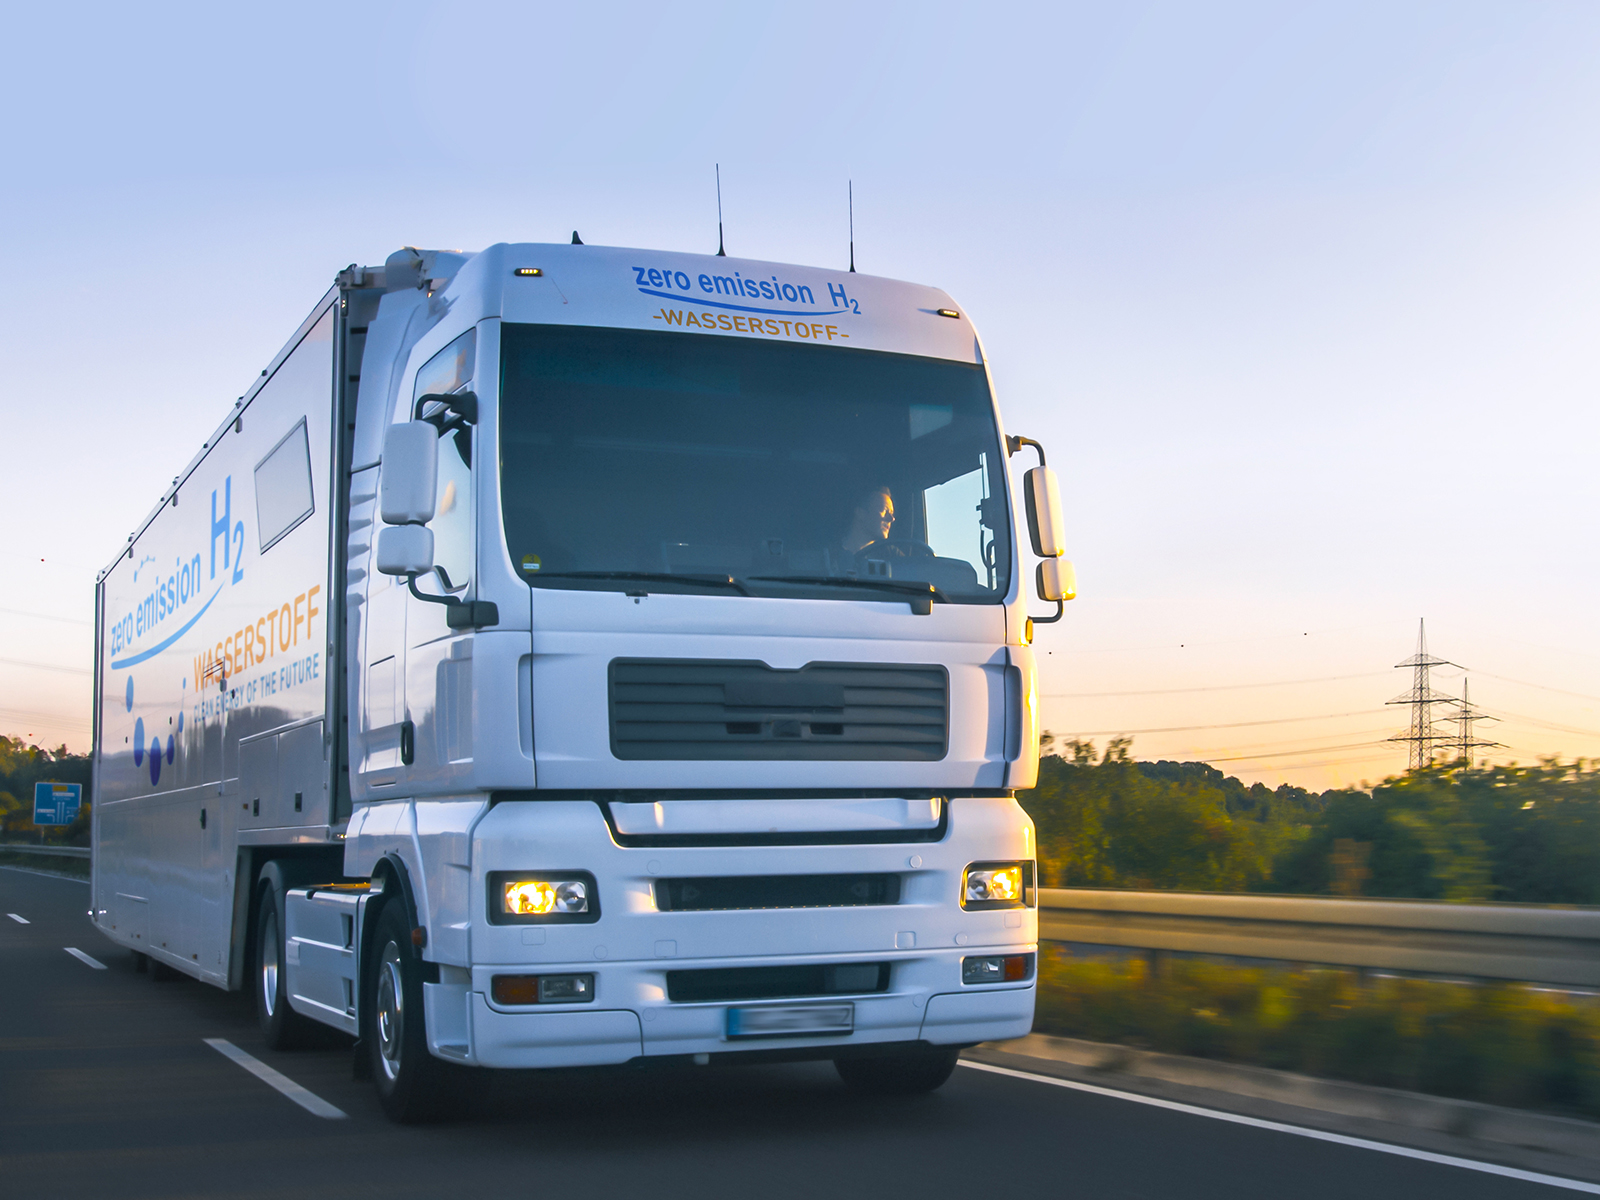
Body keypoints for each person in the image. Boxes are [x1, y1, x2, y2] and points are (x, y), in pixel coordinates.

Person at [842, 487, 895, 558]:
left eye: (892, 513)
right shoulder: (828, 557)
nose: (891, 519)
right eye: (885, 510)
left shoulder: (892, 554)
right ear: (860, 513)